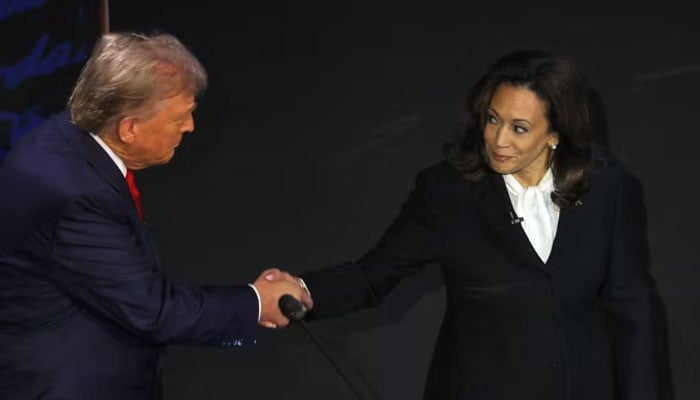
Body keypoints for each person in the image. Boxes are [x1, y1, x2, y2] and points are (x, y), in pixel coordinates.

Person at [281, 50, 672, 399]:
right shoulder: (446, 193)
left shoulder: (604, 185)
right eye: (492, 119)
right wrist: (302, 290)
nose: (498, 139)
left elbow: (631, 304)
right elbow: (370, 277)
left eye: (519, 128)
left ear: (555, 134)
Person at [0, 31, 311, 400]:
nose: (190, 127)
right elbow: (152, 309)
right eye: (181, 117)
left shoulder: (67, 136)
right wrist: (257, 301)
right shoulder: (77, 196)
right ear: (129, 128)